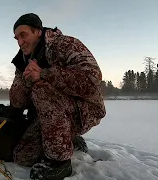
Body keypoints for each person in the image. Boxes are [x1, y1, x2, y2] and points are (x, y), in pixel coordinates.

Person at [9, 13, 106, 180]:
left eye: (23, 35)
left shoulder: (66, 44)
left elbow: (92, 80)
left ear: (38, 31)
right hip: (50, 117)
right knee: (23, 156)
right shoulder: (22, 61)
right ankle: (69, 139)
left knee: (41, 88)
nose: (20, 42)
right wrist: (25, 80)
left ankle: (59, 162)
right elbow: (17, 102)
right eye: (16, 38)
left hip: (85, 110)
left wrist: (44, 74)